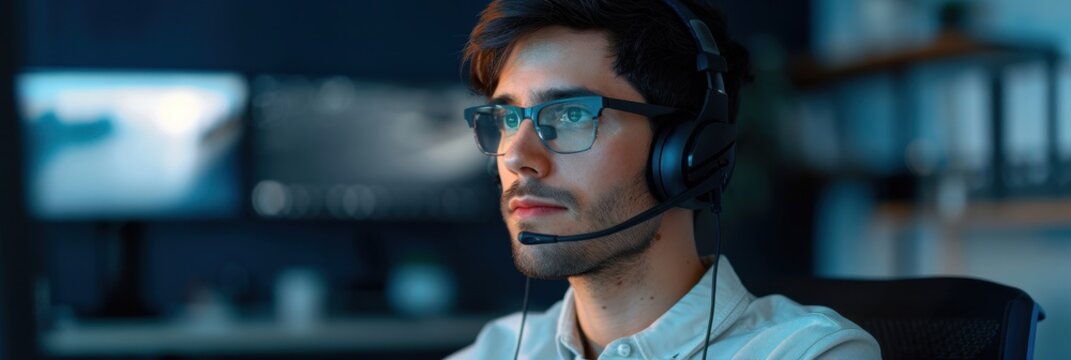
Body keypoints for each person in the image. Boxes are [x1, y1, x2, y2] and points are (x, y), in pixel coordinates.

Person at [449, 0, 881, 359]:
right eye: (507, 118)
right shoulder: (493, 351)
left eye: (572, 114)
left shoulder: (809, 353)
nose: (518, 158)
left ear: (687, 153)